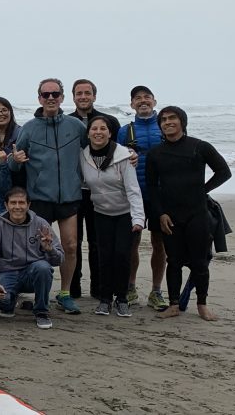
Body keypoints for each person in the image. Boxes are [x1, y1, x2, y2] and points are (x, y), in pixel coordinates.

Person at [8, 79, 86, 315]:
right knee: (38, 249)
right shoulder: (29, 128)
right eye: (46, 94)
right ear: (39, 98)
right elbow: (15, 162)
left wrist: (127, 154)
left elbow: (96, 149)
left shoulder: (76, 126)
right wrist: (14, 160)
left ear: (62, 97)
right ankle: (38, 293)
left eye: (55, 94)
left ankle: (65, 294)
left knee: (70, 246)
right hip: (40, 198)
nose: (50, 98)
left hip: (69, 196)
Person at [148, 107, 231, 321]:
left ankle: (202, 305)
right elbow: (152, 187)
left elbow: (224, 172)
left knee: (199, 262)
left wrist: (202, 190)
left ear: (182, 122)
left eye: (172, 118)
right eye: (163, 120)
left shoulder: (200, 147)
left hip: (197, 213)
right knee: (173, 261)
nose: (167, 122)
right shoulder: (155, 153)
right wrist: (160, 214)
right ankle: (174, 304)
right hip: (170, 215)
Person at [79, 116, 143, 317]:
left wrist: (138, 219)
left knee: (122, 255)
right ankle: (105, 299)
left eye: (103, 129)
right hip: (101, 213)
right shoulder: (83, 156)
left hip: (124, 213)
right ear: (88, 133)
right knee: (104, 256)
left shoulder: (124, 156)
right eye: (94, 129)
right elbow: (82, 183)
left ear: (110, 133)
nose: (98, 132)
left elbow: (133, 189)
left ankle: (122, 299)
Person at [67, 79, 122, 300]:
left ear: (94, 96)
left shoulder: (109, 121)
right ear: (73, 97)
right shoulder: (67, 122)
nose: (83, 97)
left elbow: (119, 150)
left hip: (101, 189)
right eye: (79, 93)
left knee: (98, 241)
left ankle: (99, 288)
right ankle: (73, 288)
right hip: (74, 189)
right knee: (74, 241)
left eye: (87, 93)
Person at [0, 188, 64, 329]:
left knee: (43, 267)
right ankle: (10, 302)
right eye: (13, 203)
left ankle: (41, 312)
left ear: (28, 205)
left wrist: (49, 249)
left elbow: (59, 260)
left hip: (31, 274)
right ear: (6, 205)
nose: (17, 207)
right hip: (7, 274)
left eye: (21, 202)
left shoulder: (41, 224)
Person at [117, 85, 168, 309]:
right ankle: (130, 288)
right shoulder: (124, 131)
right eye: (138, 98)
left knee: (160, 243)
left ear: (154, 101)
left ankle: (156, 291)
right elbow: (116, 163)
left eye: (147, 97)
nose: (143, 101)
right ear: (132, 104)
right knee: (132, 243)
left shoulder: (165, 126)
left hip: (161, 196)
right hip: (133, 195)